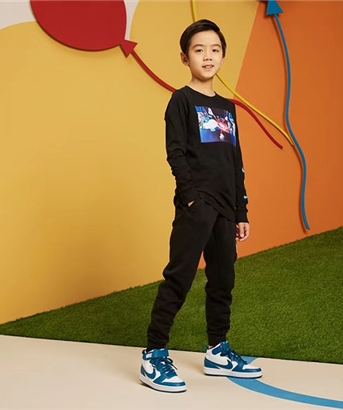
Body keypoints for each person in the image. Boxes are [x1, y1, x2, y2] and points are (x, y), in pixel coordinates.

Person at [139, 19, 262, 393]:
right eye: (198, 50)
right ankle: (153, 354)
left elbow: (235, 161)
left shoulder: (227, 108)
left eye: (214, 49)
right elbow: (175, 152)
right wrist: (191, 196)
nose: (207, 56)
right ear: (185, 57)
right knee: (179, 277)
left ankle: (217, 350)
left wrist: (240, 211)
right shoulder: (181, 101)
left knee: (223, 280)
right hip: (197, 206)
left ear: (223, 56)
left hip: (226, 208)